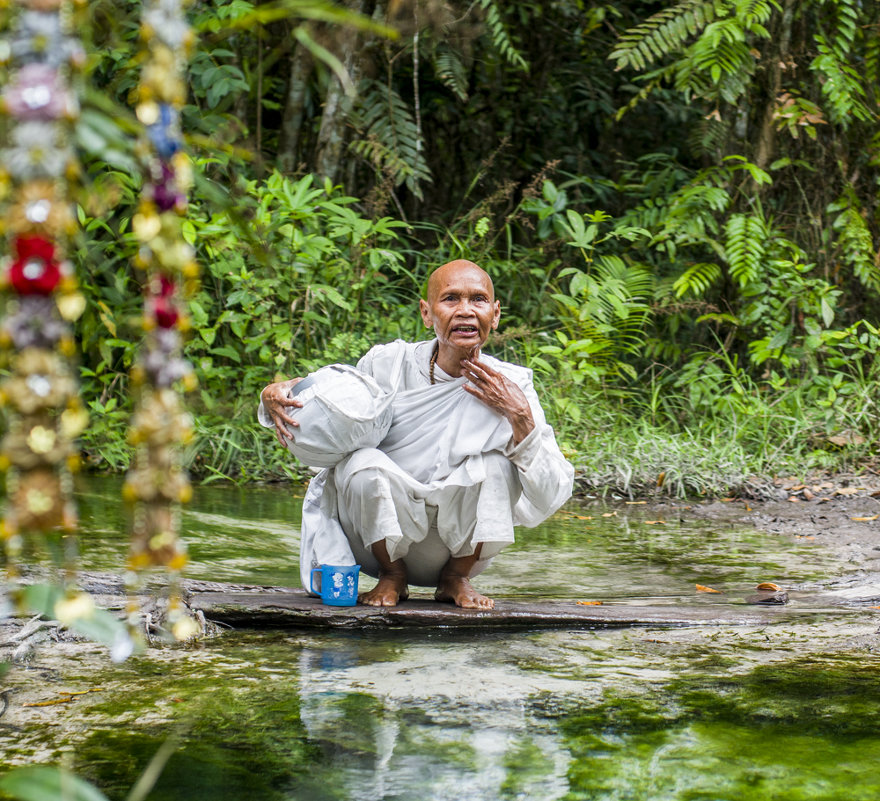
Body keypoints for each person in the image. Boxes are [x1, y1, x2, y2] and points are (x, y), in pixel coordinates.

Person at [259, 259, 573, 609]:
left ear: (495, 314)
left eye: (478, 300)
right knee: (361, 461)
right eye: (451, 299)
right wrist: (278, 390)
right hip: (377, 543)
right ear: (427, 313)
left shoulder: (513, 385)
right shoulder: (388, 363)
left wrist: (520, 417)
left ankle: (455, 579)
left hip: (458, 546)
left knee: (498, 465)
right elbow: (331, 396)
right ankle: (393, 577)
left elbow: (551, 493)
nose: (466, 312)